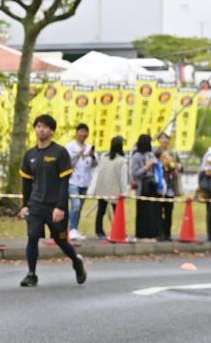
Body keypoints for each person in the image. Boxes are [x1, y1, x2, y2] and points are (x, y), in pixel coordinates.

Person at [17, 114, 88, 287]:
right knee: (32, 236)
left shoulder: (59, 153)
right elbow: (26, 183)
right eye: (38, 126)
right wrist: (25, 206)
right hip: (35, 205)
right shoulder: (30, 155)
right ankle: (31, 274)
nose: (41, 129)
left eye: (45, 127)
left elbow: (65, 183)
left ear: (52, 131)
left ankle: (76, 261)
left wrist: (61, 207)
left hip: (55, 206)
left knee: (61, 240)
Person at [90, 134, 128, 240]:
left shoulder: (104, 157)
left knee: (101, 211)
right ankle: (118, 232)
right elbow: (123, 178)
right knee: (117, 213)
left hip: (102, 188)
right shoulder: (122, 161)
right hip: (115, 190)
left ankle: (99, 231)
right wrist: (124, 192)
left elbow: (99, 173)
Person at [65, 122, 96, 241]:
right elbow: (67, 163)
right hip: (72, 181)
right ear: (77, 133)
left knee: (80, 207)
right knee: (75, 205)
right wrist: (79, 153)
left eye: (85, 131)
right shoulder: (70, 147)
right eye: (81, 131)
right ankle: (71, 229)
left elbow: (95, 165)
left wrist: (92, 156)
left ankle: (75, 229)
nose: (83, 133)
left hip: (85, 181)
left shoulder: (89, 147)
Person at [130, 133, 161, 240]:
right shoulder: (136, 156)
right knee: (143, 211)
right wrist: (146, 167)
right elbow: (135, 173)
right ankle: (142, 233)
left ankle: (153, 232)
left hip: (153, 185)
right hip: (143, 186)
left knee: (153, 211)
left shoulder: (150, 154)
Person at [154, 132, 183, 241]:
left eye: (166, 138)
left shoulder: (173, 153)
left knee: (169, 210)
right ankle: (159, 232)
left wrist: (178, 166)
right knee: (158, 210)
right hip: (159, 185)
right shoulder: (155, 152)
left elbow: (180, 166)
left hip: (170, 185)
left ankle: (167, 233)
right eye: (162, 138)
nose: (164, 140)